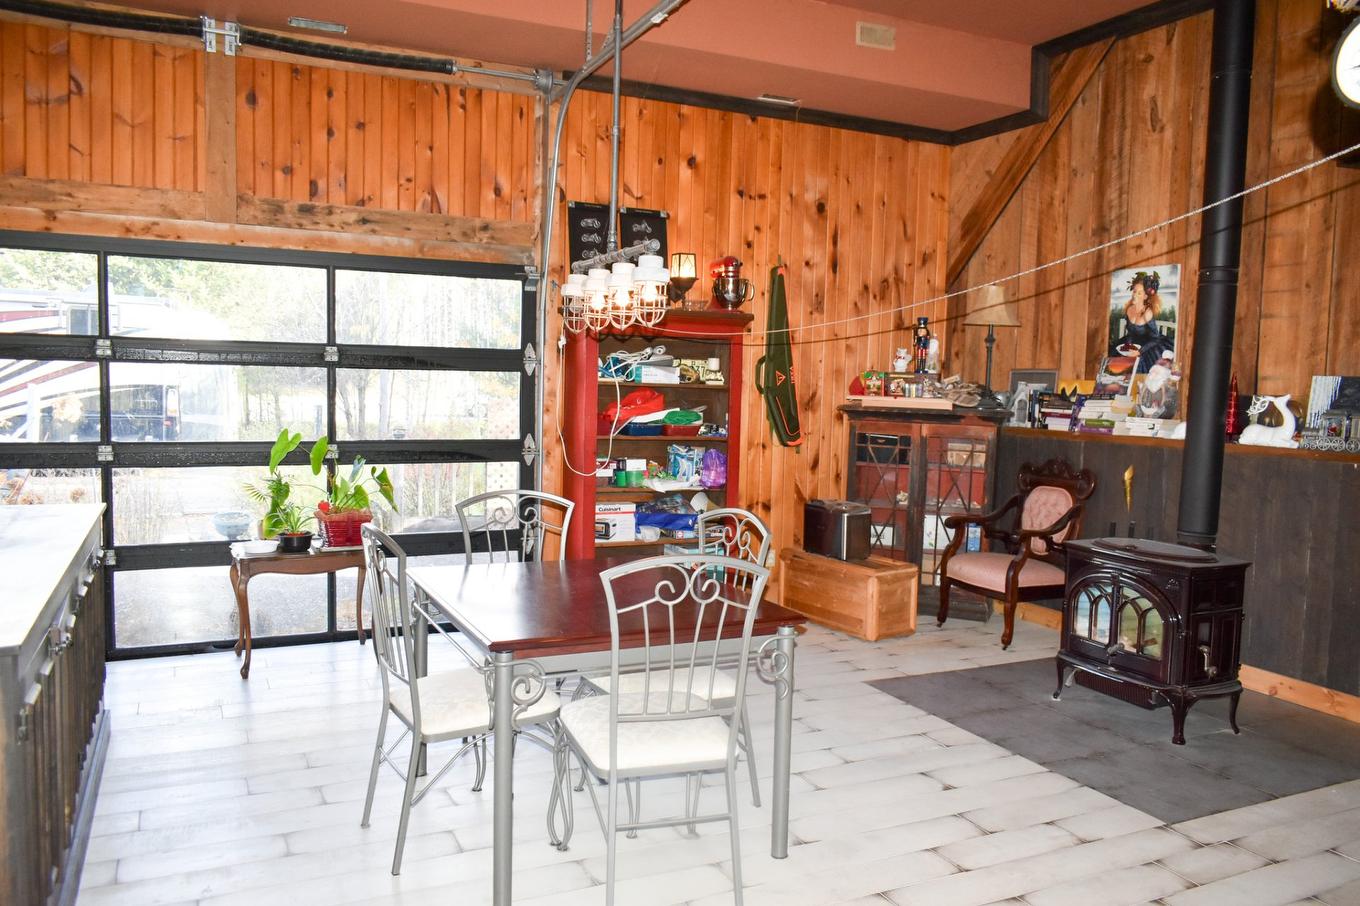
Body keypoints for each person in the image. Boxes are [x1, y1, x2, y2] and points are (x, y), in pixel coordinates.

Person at [1111, 271, 1175, 373]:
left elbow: (1155, 338)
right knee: (1115, 364)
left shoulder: (1147, 313)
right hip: (1133, 344)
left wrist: (1139, 352)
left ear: (1145, 297)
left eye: (1139, 293)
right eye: (1134, 291)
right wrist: (1128, 346)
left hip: (1148, 346)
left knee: (1141, 369)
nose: (1135, 295)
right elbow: (1131, 333)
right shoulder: (1129, 309)